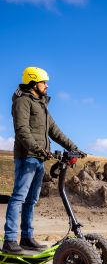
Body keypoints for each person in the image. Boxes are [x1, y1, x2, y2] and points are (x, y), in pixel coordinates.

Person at [3, 66, 86, 254]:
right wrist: (38, 149)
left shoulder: (41, 104)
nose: (47, 86)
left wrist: (74, 148)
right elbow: (22, 130)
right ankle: (9, 240)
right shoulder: (23, 102)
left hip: (39, 159)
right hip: (27, 157)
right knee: (19, 197)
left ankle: (26, 238)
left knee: (31, 200)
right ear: (33, 83)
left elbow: (55, 131)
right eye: (43, 82)